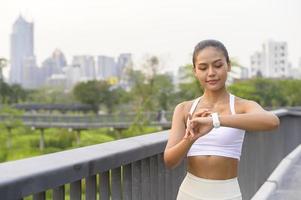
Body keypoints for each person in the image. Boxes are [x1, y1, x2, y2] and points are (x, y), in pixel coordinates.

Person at [163, 39, 280, 200]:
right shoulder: (184, 109)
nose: (211, 73)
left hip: (227, 193)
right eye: (203, 68)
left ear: (228, 66)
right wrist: (190, 138)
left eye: (217, 65)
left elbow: (272, 121)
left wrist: (215, 120)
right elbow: (169, 161)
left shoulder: (241, 106)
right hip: (189, 192)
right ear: (195, 71)